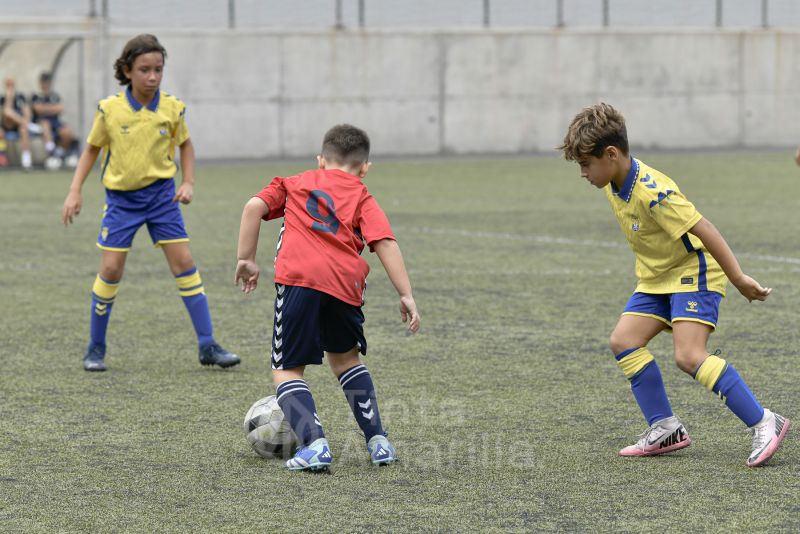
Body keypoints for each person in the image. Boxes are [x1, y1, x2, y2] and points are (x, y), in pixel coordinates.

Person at [558, 102, 790, 467]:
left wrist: (739, 279)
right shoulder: (613, 181)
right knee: (624, 341)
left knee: (688, 355)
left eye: (586, 164)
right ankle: (665, 427)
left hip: (693, 273)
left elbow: (705, 229)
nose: (583, 173)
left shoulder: (654, 191)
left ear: (612, 154)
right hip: (655, 279)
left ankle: (764, 421)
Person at [235, 124, 420, 471]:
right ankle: (378, 442)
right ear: (365, 167)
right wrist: (405, 294)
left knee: (287, 370)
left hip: (300, 281)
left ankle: (314, 444)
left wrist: (246, 259)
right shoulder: (362, 194)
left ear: (321, 161)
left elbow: (252, 207)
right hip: (346, 287)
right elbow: (384, 243)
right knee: (347, 361)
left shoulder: (292, 182)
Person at [61, 34, 239, 372]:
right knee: (111, 269)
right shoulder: (110, 109)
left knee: (184, 263)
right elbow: (91, 150)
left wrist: (187, 182)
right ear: (128, 70)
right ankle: (95, 348)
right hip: (122, 201)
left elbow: (185, 145)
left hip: (161, 198)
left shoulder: (172, 108)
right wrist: (75, 190)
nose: (152, 76)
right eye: (144, 69)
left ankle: (208, 345)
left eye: (158, 69)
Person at [31, 71, 78, 168]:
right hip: (40, 124)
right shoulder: (35, 96)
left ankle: (59, 153)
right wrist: (52, 108)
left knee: (67, 132)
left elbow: (60, 108)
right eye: (43, 82)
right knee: (45, 124)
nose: (45, 84)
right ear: (40, 83)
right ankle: (51, 152)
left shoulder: (54, 96)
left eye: (47, 82)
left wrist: (44, 108)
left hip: (55, 122)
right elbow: (37, 109)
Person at [0, 78, 33, 170]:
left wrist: (25, 121)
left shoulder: (20, 98)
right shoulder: (3, 99)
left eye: (11, 85)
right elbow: (4, 114)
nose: (10, 87)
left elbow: (27, 112)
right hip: (6, 125)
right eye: (8, 85)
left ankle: (26, 160)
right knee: (7, 112)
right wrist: (9, 98)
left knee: (24, 130)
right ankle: (1, 158)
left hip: (19, 126)